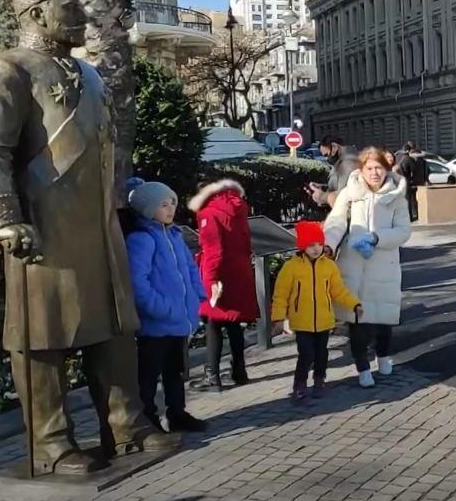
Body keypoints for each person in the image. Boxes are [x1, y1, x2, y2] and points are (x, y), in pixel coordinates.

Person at [0, 0, 175, 474]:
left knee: (115, 328)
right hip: (43, 228)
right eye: (68, 6)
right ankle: (51, 444)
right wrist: (2, 218)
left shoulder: (92, 75)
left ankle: (127, 425)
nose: (80, 14)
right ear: (36, 14)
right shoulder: (6, 69)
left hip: (98, 228)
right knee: (43, 337)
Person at [324, 147, 413, 388]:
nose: (375, 173)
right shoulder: (349, 194)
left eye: (379, 168)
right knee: (358, 321)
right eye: (370, 168)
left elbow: (404, 231)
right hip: (354, 267)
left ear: (386, 169)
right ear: (361, 170)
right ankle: (363, 367)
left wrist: (377, 238)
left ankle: (383, 356)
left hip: (384, 267)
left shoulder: (396, 197)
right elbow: (336, 222)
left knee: (383, 321)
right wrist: (328, 246)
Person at [125, 181, 208, 433]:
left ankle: (177, 412)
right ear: (149, 209)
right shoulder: (143, 239)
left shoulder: (174, 235)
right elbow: (137, 282)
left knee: (176, 372)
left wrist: (197, 295)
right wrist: (161, 308)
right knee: (149, 376)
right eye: (163, 204)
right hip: (157, 324)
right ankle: (148, 417)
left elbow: (190, 269)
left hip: (179, 322)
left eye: (172, 202)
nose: (171, 208)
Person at [272, 221, 364, 403]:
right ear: (302, 246)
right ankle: (299, 384)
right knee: (306, 354)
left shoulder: (329, 267)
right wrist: (279, 318)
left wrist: (354, 304)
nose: (316, 249)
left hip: (323, 320)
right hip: (301, 321)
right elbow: (280, 295)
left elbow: (338, 291)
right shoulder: (291, 267)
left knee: (322, 354)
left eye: (319, 244)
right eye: (311, 245)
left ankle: (319, 380)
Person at [188, 179, 259, 392]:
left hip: (220, 274)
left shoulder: (209, 213)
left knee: (213, 322)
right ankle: (239, 370)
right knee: (233, 322)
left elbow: (213, 251)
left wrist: (209, 283)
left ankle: (212, 376)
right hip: (239, 271)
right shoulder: (237, 208)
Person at [307, 135, 359, 207]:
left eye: (326, 155)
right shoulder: (341, 162)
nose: (326, 159)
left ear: (334, 147)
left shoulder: (348, 164)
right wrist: (322, 188)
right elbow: (340, 185)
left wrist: (322, 197)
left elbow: (345, 198)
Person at [397, 142, 429, 222]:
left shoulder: (398, 157)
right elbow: (414, 170)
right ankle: (409, 218)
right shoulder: (409, 159)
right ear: (409, 150)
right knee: (409, 200)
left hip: (398, 181)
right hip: (406, 181)